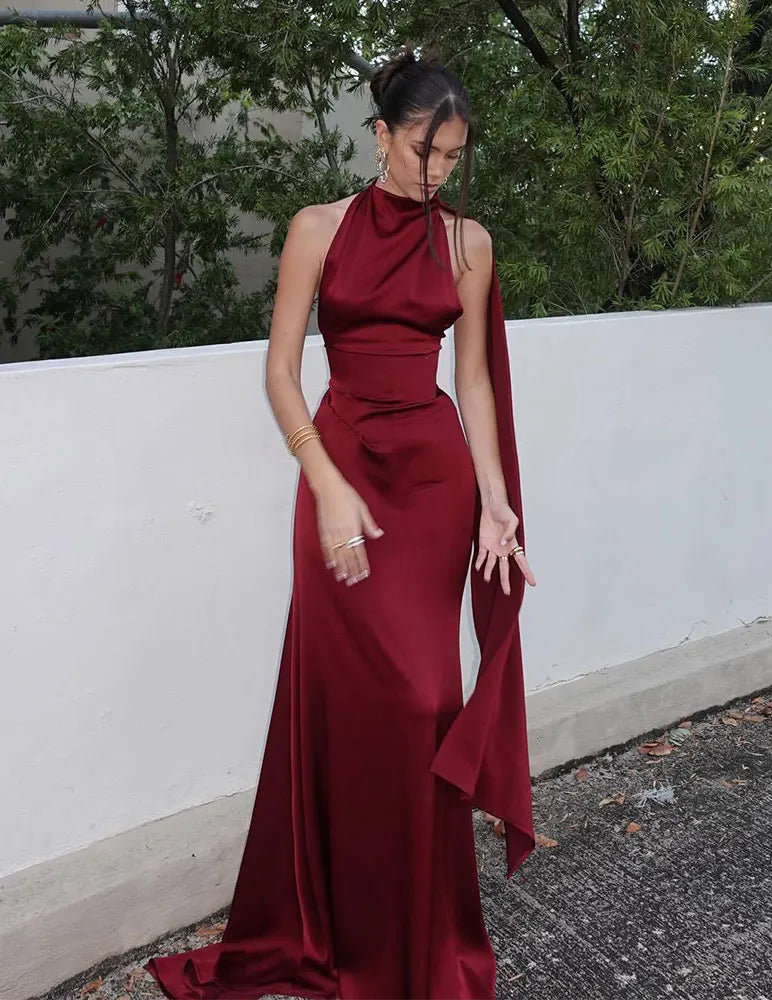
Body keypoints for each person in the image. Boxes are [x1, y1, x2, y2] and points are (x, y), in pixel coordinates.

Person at [145, 42, 537, 1000]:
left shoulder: (469, 245)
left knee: (423, 703)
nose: (436, 171)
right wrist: (323, 483)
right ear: (380, 134)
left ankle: (417, 938)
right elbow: (280, 374)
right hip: (339, 473)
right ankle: (329, 926)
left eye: (452, 156)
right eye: (421, 150)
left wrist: (494, 496)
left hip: (434, 487)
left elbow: (475, 384)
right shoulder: (317, 229)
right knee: (344, 710)